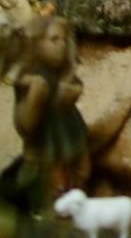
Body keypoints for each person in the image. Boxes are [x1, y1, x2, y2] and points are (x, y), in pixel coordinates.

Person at [6, 16, 90, 213]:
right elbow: (26, 124)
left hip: (70, 132)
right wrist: (36, 94)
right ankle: (51, 205)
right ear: (36, 43)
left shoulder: (64, 71)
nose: (62, 45)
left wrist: (72, 91)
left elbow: (77, 86)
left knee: (81, 168)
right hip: (47, 139)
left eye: (64, 40)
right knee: (52, 175)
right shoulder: (29, 79)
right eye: (54, 39)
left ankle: (75, 197)